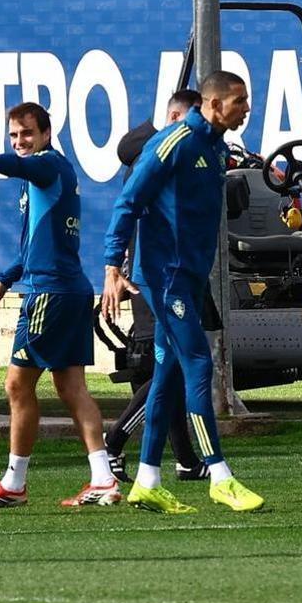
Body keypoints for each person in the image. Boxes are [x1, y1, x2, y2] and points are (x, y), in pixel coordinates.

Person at [102, 70, 264, 514]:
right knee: (197, 361)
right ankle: (219, 475)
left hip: (190, 277)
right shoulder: (173, 143)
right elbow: (128, 202)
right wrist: (112, 266)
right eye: (239, 100)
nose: (246, 107)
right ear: (213, 105)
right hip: (166, 278)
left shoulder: (215, 146)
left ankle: (148, 479)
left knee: (168, 374)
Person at [0, 101, 120, 508]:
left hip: (50, 294)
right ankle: (103, 478)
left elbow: (25, 166)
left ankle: (14, 484)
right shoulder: (44, 176)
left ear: (45, 134)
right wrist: (4, 279)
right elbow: (35, 246)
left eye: (26, 133)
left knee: (17, 384)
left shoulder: (48, 165)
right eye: (13, 136)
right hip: (67, 289)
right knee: (71, 386)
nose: (20, 142)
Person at [104, 89, 210, 483]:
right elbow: (128, 210)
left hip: (179, 275)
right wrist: (113, 267)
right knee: (174, 368)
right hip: (158, 281)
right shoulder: (158, 155)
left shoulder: (187, 154)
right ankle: (114, 441)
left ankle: (185, 461)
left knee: (172, 370)